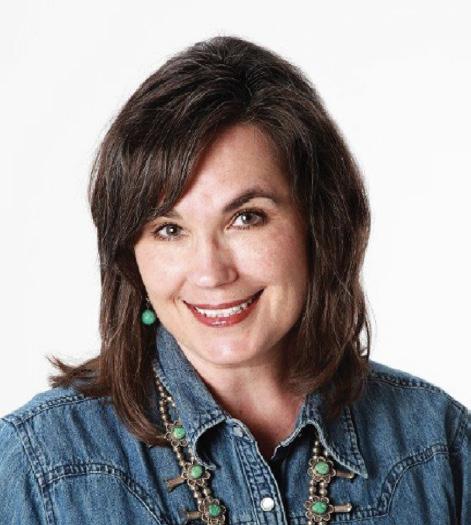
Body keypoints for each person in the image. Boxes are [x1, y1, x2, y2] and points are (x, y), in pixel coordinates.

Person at [0, 35, 469, 525]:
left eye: (246, 218)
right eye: (169, 229)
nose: (211, 272)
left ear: (319, 224)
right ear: (130, 256)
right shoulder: (39, 467)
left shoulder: (438, 446)